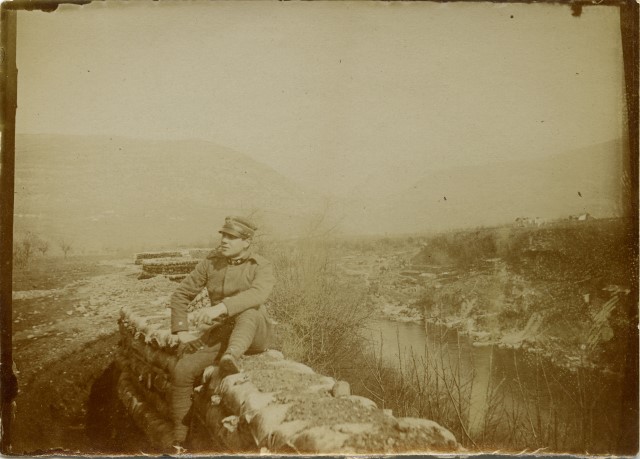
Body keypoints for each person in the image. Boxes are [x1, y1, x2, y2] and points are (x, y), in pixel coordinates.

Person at [168, 216, 275, 446]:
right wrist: (181, 331)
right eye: (223, 235)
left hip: (254, 334)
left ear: (246, 241)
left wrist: (221, 307)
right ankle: (179, 441)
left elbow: (258, 294)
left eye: (231, 237)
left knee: (248, 311)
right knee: (183, 370)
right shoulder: (211, 263)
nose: (224, 240)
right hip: (221, 332)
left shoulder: (260, 265)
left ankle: (231, 357)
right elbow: (180, 295)